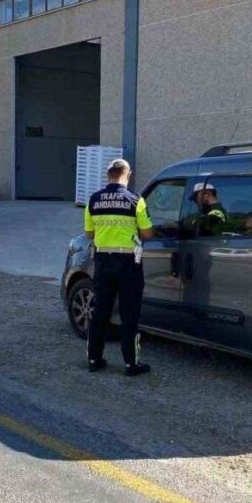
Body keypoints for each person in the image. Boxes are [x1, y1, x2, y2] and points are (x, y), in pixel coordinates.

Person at [84, 159, 155, 377]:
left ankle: (94, 359)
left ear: (108, 175)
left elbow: (89, 234)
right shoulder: (136, 200)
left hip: (103, 262)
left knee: (100, 312)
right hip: (128, 264)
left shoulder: (94, 199)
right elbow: (147, 234)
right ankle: (130, 364)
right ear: (128, 174)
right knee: (129, 313)